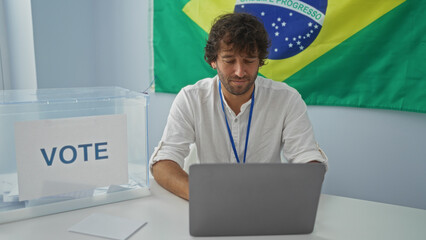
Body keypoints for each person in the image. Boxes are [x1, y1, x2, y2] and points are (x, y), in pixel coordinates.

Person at [150, 13, 327, 200]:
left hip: (266, 203)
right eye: (229, 60)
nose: (240, 71)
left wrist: (296, 185)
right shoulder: (190, 98)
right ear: (213, 60)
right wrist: (203, 196)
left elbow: (308, 159)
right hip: (210, 204)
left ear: (260, 61)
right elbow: (162, 163)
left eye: (249, 60)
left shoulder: (287, 99)